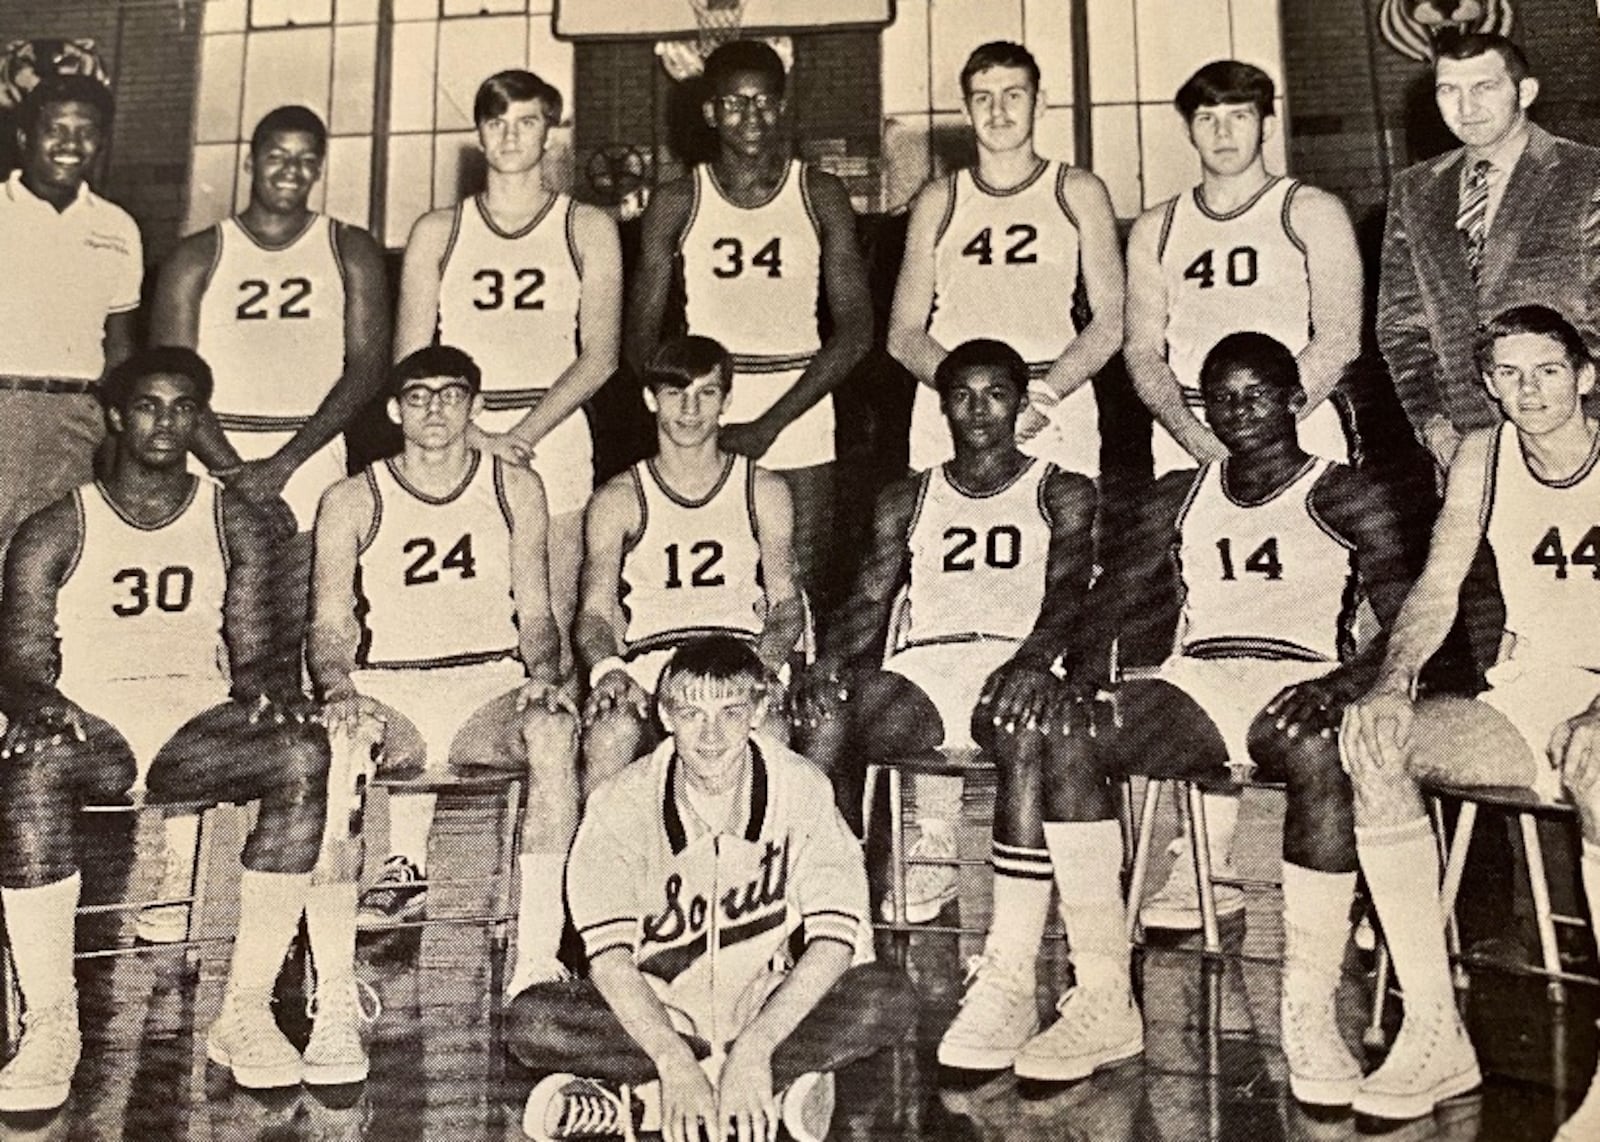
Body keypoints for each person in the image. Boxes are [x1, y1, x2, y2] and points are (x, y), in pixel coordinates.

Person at [936, 333, 1410, 1101]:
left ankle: (1309, 1009)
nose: (1238, 412)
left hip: (1301, 676)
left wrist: (1346, 685)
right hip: (1202, 679)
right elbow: (1110, 601)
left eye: (1257, 395)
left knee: (1322, 751)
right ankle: (1101, 997)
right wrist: (1079, 682)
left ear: (1296, 400)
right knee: (1068, 731)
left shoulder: (1344, 491)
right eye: (1221, 398)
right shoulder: (1182, 493)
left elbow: (1405, 623)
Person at [0, 347, 365, 1111]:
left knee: (303, 752)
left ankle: (245, 1012)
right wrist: (35, 702)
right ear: (114, 416)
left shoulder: (232, 518)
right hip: (95, 723)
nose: (164, 422)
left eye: (182, 407)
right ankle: (50, 1022)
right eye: (147, 406)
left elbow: (255, 648)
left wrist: (272, 692)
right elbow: (23, 661)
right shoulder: (55, 527)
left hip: (193, 726)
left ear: (200, 419)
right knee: (28, 769)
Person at [1341, 306, 1600, 1137]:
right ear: (1488, 384)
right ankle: (1434, 1030)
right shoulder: (1484, 457)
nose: (1530, 391)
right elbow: (1438, 585)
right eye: (1510, 375)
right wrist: (1392, 683)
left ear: (1586, 375)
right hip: (1534, 689)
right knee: (1379, 747)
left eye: (1549, 370)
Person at [1118, 59, 1363, 932]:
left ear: (1266, 121)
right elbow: (1144, 350)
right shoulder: (1157, 225)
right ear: (1190, 128)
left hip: (1296, 437)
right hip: (1190, 439)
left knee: (1321, 635)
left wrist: (1269, 430)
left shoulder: (1310, 211)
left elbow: (1337, 337)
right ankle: (1202, 866)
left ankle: (1358, 853)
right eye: (1209, 118)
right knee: (1204, 636)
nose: (1225, 132)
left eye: (1241, 116)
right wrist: (1202, 444)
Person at [508, 637, 916, 1142]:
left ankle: (639, 1106)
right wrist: (674, 1059)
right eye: (691, 713)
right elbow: (610, 960)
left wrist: (756, 1047)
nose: (711, 735)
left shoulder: (801, 788)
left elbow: (835, 940)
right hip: (660, 1014)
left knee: (887, 995)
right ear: (665, 715)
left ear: (760, 710)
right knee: (532, 1021)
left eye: (730, 712)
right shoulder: (621, 802)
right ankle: (763, 1094)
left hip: (763, 1008)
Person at [145, 105, 390, 941]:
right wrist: (231, 471)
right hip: (212, 465)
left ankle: (290, 872)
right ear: (251, 160)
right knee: (195, 658)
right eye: (275, 156)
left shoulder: (347, 248)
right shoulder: (197, 255)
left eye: (305, 158)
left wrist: (284, 466)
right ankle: (173, 874)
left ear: (320, 165)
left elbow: (366, 370)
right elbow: (171, 375)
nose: (289, 169)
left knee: (290, 666)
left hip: (308, 464)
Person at [794, 339, 1098, 924]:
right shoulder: (909, 496)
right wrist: (829, 661)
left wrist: (1033, 662)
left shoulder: (1063, 488)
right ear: (942, 407)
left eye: (995, 396)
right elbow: (868, 598)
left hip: (1016, 659)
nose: (979, 411)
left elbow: (1068, 592)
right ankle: (832, 909)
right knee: (825, 711)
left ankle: (1015, 937)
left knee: (1024, 726)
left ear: (1019, 404)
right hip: (928, 668)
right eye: (962, 396)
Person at [308, 345, 578, 998]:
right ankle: (334, 977)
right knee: (342, 749)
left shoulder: (513, 485)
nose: (436, 408)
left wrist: (545, 673)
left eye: (452, 394)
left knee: (553, 732)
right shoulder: (350, 497)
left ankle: (537, 960)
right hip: (389, 688)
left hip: (485, 687)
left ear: (475, 407)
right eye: (420, 396)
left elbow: (538, 613)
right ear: (397, 410)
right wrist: (339, 688)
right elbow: (327, 624)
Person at [625, 39, 872, 628]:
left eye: (763, 102)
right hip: (705, 407)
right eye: (734, 104)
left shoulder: (820, 193)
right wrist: (684, 412)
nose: (751, 118)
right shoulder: (677, 200)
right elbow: (638, 336)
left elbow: (857, 330)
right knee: (715, 586)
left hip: (802, 407)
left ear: (782, 105)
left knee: (798, 595)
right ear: (710, 112)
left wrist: (771, 424)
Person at [395, 69, 621, 655]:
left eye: (527, 122)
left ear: (551, 131)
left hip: (555, 434)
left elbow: (600, 356)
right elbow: (410, 361)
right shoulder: (437, 231)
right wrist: (475, 434)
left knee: (555, 612)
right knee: (469, 604)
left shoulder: (587, 226)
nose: (512, 136)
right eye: (497, 123)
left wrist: (519, 435)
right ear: (479, 133)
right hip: (453, 435)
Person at [888, 40, 1123, 480]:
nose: (998, 112)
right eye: (983, 98)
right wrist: (975, 402)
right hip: (953, 407)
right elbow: (903, 334)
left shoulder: (1079, 191)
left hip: (1051, 403)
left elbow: (1112, 320)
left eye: (1013, 95)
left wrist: (1043, 396)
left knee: (1062, 545)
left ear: (1040, 103)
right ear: (965, 109)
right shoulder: (938, 199)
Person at [576, 335, 802, 789]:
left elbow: (786, 606)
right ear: (650, 399)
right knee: (608, 736)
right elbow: (595, 613)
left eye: (707, 393)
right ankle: (606, 861)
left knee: (770, 732)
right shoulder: (619, 498)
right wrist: (610, 670)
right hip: (653, 664)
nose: (690, 410)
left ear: (727, 401)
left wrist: (766, 665)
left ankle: (755, 859)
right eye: (675, 394)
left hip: (736, 656)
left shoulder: (764, 490)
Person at [1378, 31, 1600, 469]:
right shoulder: (1414, 190)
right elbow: (1400, 328)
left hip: (1582, 432)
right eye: (1449, 90)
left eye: (1484, 87)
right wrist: (1435, 426)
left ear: (1526, 91)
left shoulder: (1587, 174)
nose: (1465, 107)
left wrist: (1587, 424)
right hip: (1465, 444)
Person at [0, 73, 141, 555]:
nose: (70, 143)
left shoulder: (118, 227)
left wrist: (114, 430)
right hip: (3, 401)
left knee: (47, 568)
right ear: (24, 138)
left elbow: (120, 345)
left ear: (100, 141)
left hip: (76, 419)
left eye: (85, 131)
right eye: (55, 129)